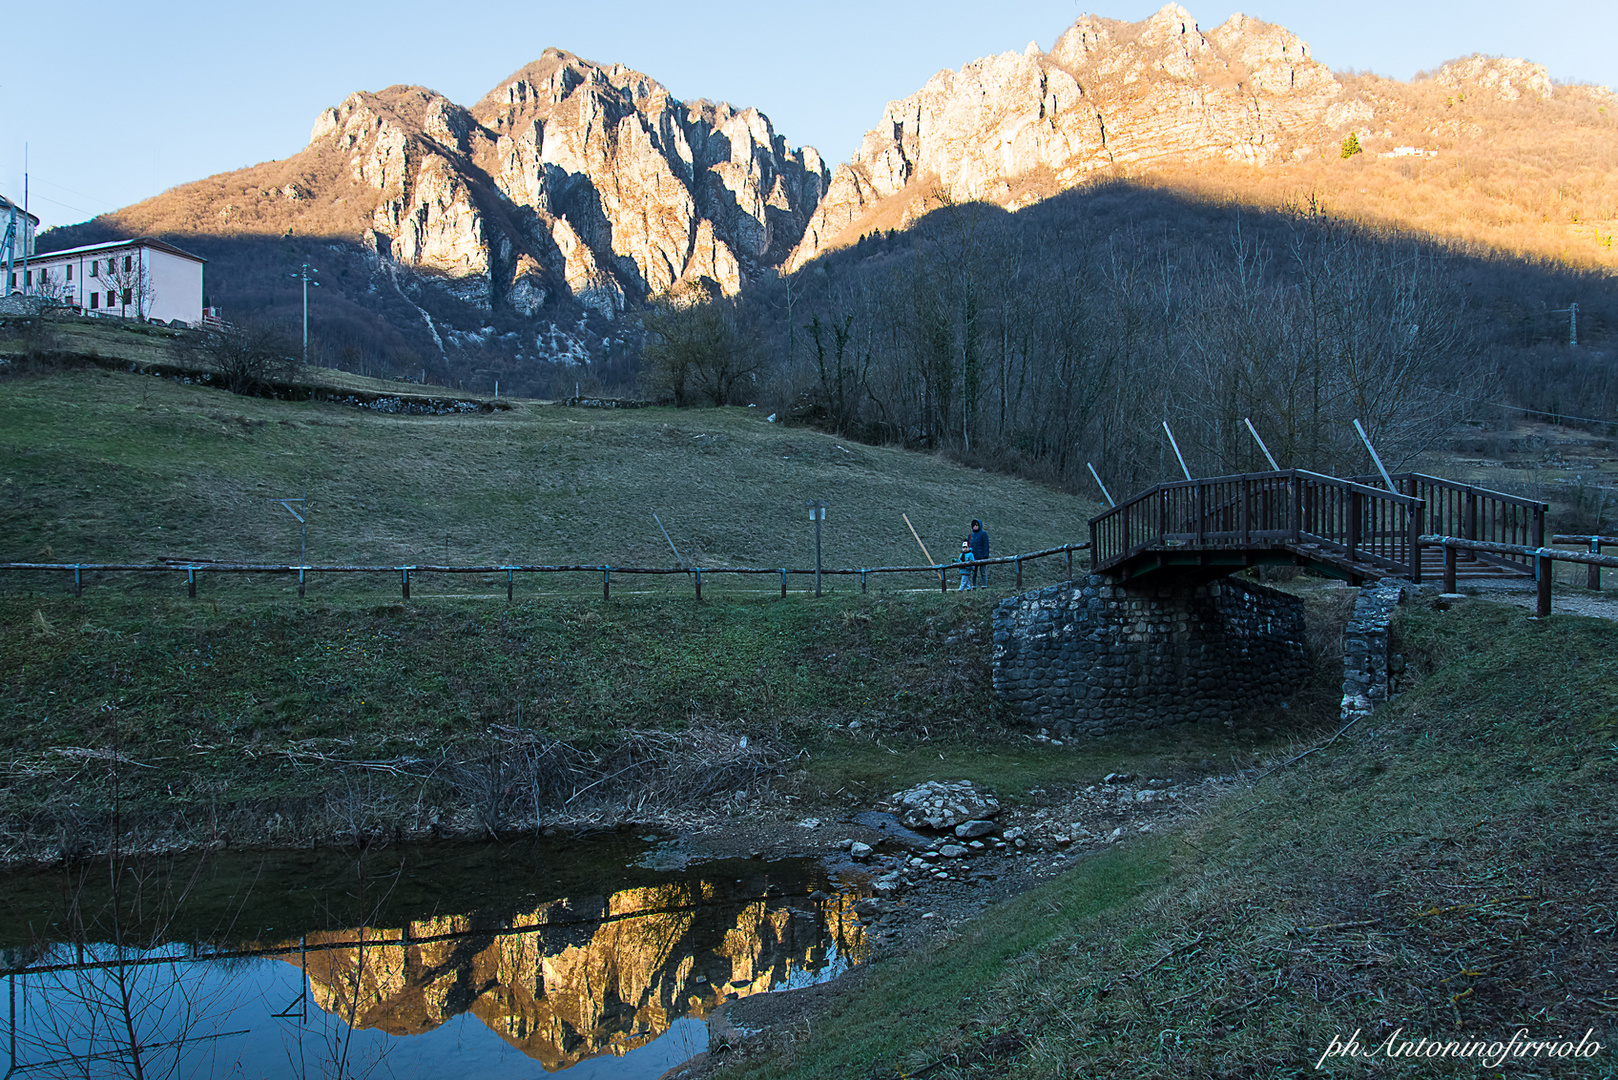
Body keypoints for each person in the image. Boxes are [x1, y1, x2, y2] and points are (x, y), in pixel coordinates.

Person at [968, 519, 989, 587]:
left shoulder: (983, 534)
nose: (975, 527)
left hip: (982, 556)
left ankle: (984, 586)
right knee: (974, 572)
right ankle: (974, 586)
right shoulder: (970, 535)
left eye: (977, 525)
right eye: (974, 525)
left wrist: (986, 555)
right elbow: (969, 546)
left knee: (983, 572)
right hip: (973, 557)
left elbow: (986, 545)